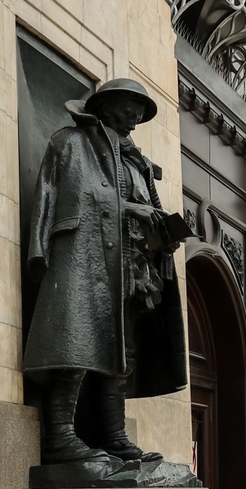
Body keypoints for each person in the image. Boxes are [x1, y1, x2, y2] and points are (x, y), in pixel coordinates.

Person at [25, 78, 189, 466]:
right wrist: (133, 210)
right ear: (105, 104)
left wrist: (163, 234)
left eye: (141, 109)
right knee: (76, 346)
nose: (135, 115)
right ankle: (60, 438)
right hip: (86, 258)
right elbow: (76, 194)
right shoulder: (71, 142)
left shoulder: (136, 162)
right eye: (129, 104)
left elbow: (145, 207)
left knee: (123, 354)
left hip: (131, 269)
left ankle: (115, 437)